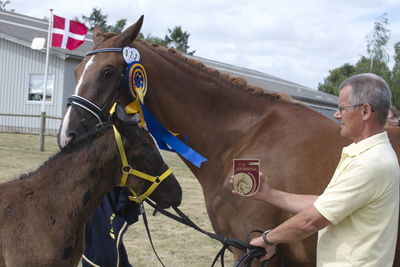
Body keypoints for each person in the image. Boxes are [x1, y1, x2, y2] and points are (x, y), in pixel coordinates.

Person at [232, 73, 400, 266]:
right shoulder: (366, 154)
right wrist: (268, 194)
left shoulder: (370, 163)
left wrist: (268, 239)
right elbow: (324, 204)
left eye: (341, 108)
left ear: (365, 111)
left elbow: (311, 221)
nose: (337, 115)